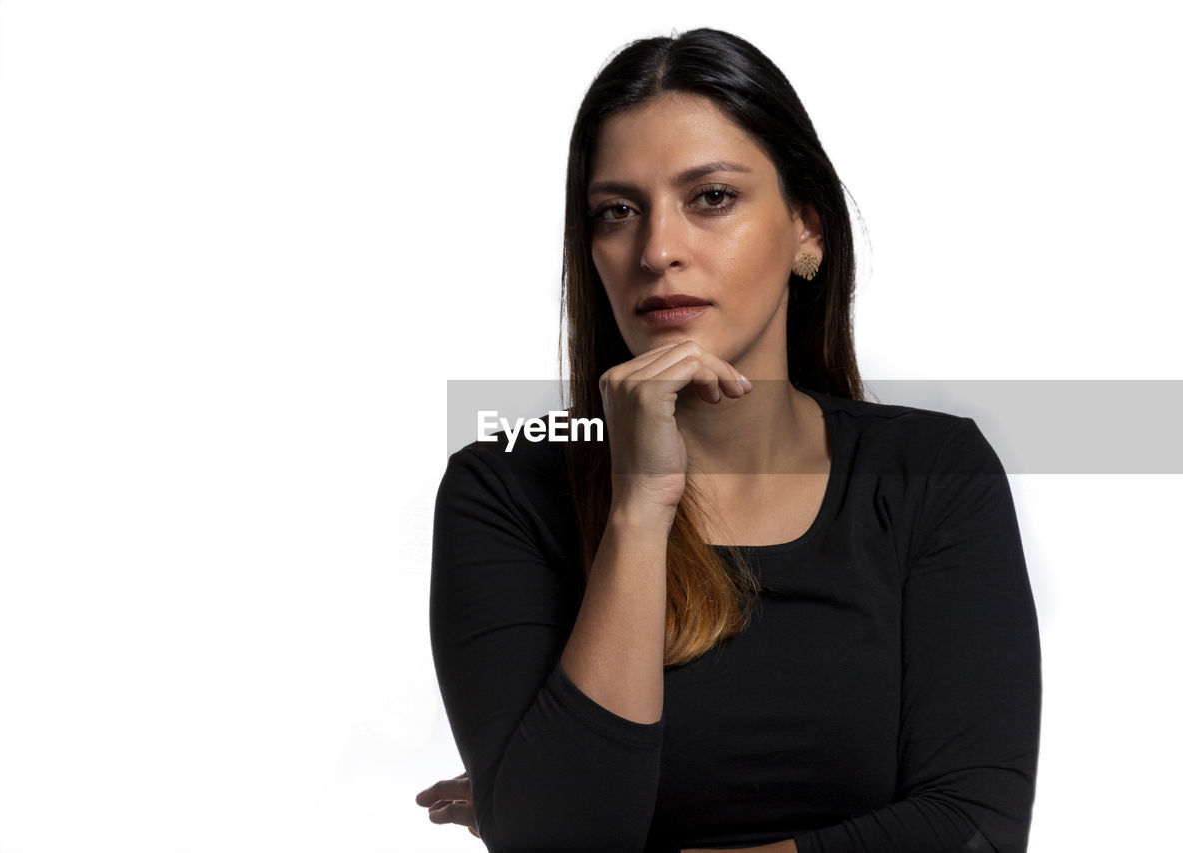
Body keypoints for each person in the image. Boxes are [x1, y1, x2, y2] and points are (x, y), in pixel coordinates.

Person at [417, 27, 1042, 853]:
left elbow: (975, 830)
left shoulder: (929, 472)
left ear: (807, 231)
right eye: (617, 211)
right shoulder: (503, 491)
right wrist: (640, 508)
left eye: (710, 197)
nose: (659, 250)